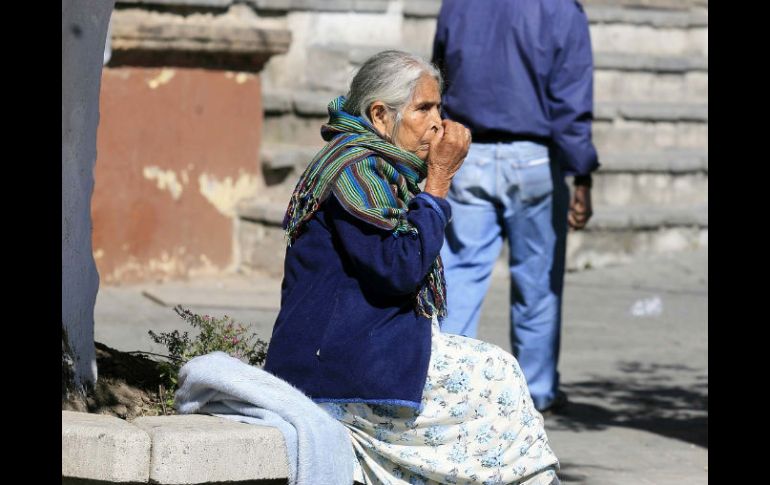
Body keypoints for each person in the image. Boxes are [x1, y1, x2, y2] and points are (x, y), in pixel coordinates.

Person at [263, 50, 560, 484]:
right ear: (381, 115)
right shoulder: (355, 170)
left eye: (439, 108)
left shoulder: (379, 166)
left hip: (365, 344)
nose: (438, 124)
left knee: (497, 378)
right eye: (424, 109)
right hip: (335, 365)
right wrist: (438, 184)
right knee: (496, 376)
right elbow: (400, 267)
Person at [432, 0, 600, 413]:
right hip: (535, 159)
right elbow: (570, 102)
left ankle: (447, 388)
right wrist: (582, 173)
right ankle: (536, 393)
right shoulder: (562, 10)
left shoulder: (458, 4)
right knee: (538, 284)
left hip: (468, 151)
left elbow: (437, 80)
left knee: (458, 274)